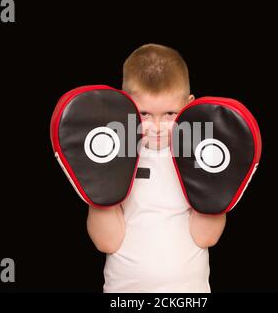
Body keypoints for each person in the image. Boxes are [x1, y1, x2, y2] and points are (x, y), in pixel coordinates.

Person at [86, 44, 226, 292]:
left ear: (189, 105)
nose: (158, 126)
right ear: (125, 104)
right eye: (145, 114)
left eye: (170, 113)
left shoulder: (199, 156)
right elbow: (107, 241)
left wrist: (214, 181)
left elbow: (207, 237)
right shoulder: (116, 153)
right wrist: (98, 181)